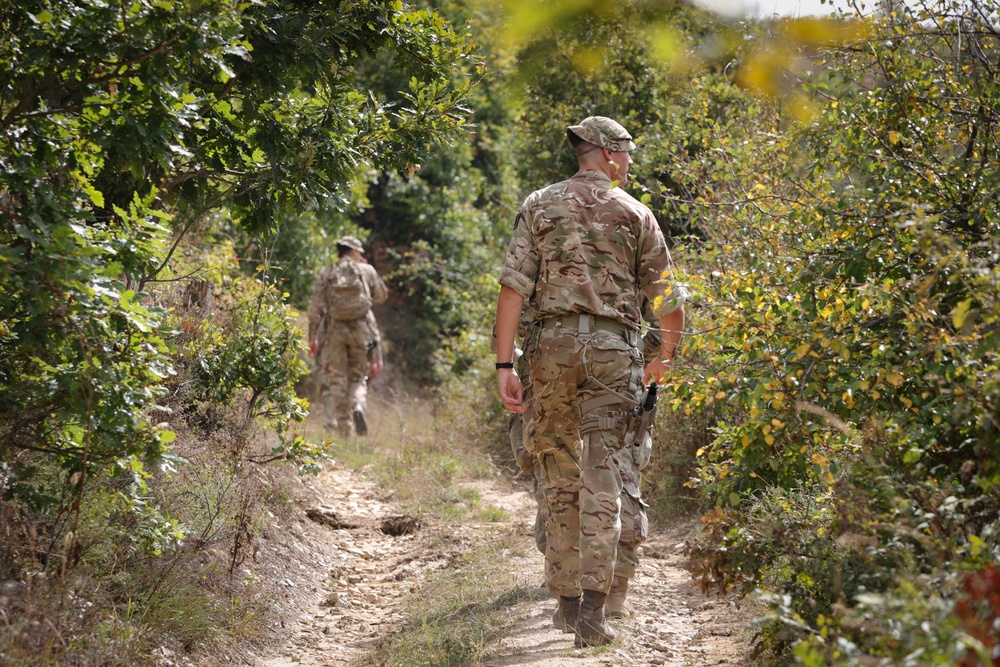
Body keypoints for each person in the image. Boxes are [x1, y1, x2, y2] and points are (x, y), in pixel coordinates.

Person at [494, 116, 686, 648]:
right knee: (605, 467)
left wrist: (504, 365)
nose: (628, 162)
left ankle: (565, 600)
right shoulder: (636, 212)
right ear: (603, 153)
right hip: (613, 351)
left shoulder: (539, 204)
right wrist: (665, 359)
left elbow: (512, 290)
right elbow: (669, 301)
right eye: (624, 153)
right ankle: (594, 614)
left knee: (556, 465)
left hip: (551, 349)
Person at [308, 235, 388, 437]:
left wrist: (312, 337)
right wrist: (368, 271)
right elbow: (381, 296)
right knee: (357, 377)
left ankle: (344, 429)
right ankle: (358, 405)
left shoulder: (328, 272)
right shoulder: (366, 270)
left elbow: (316, 307)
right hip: (362, 329)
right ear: (353, 251)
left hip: (335, 331)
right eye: (359, 252)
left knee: (338, 379)